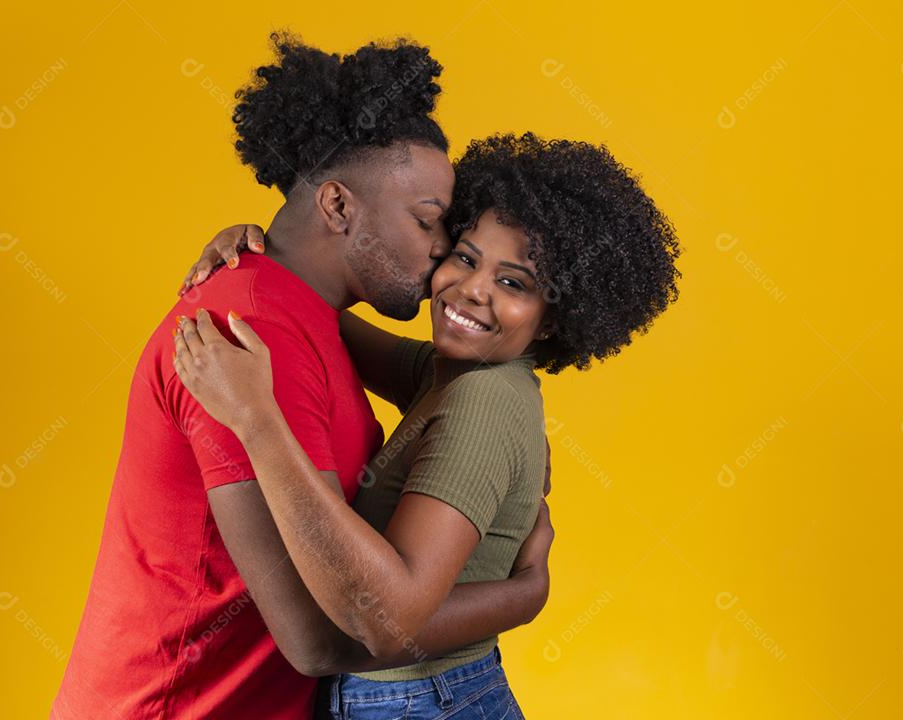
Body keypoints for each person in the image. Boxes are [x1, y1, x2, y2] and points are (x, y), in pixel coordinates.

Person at [51, 35, 554, 720]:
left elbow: (459, 402)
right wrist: (520, 597)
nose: (442, 255)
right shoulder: (251, 341)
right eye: (431, 223)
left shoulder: (303, 315)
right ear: (340, 207)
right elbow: (322, 640)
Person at [172, 131, 682, 718]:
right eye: (465, 257)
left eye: (513, 283)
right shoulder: (452, 375)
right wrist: (261, 251)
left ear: (550, 323)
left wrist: (256, 420)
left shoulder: (483, 401)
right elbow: (319, 311)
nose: (471, 290)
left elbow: (387, 624)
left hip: (422, 702)